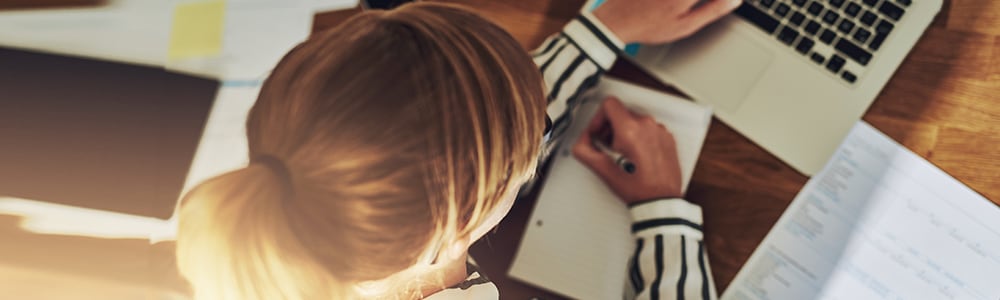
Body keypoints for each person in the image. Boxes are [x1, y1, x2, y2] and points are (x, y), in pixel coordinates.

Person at [174, 0, 739, 299]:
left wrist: (606, 26)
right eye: (521, 157)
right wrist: (663, 210)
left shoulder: (294, 200)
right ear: (462, 219)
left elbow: (442, 134)